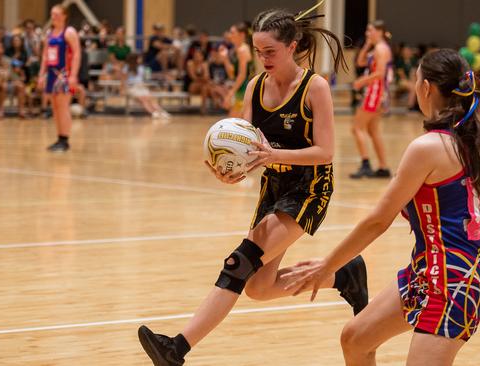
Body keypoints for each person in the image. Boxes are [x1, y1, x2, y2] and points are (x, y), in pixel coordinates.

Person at [282, 49, 480, 366]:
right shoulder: (474, 140)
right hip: (425, 277)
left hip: (454, 285)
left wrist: (328, 265)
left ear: (427, 88)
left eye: (417, 78)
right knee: (355, 340)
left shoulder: (429, 148)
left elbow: (378, 221)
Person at [137, 6, 368, 366]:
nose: (263, 59)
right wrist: (229, 171)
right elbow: (245, 148)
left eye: (270, 52)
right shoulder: (255, 86)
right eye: (258, 51)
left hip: (309, 189)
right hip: (272, 190)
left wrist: (271, 155)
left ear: (292, 46)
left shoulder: (315, 87)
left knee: (238, 263)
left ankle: (177, 348)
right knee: (258, 288)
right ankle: (343, 275)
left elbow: (325, 153)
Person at [349, 20, 393, 179]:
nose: (368, 33)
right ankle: (383, 167)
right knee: (373, 130)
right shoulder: (377, 48)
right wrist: (367, 45)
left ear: (380, 32)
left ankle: (365, 164)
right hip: (378, 92)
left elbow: (380, 73)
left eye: (371, 31)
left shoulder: (381, 49)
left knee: (357, 127)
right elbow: (360, 62)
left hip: (376, 91)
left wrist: (362, 81)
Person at [38, 5, 81, 152]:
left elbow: (76, 54)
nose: (54, 17)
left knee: (63, 107)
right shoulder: (49, 34)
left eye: (57, 14)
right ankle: (59, 138)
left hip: (65, 74)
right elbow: (45, 56)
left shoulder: (69, 32)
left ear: (64, 16)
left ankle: (65, 140)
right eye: (52, 14)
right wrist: (41, 74)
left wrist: (74, 75)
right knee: (55, 108)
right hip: (52, 74)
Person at [122, 53, 170, 119]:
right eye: (139, 58)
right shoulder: (126, 68)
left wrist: (160, 75)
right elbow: (123, 80)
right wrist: (123, 89)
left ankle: (161, 111)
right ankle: (153, 112)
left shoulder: (142, 67)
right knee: (143, 99)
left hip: (141, 86)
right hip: (132, 87)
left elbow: (148, 77)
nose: (141, 59)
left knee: (151, 98)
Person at [223, 21, 254, 117]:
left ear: (241, 34)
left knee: (234, 125)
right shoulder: (238, 49)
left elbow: (242, 75)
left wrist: (230, 93)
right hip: (241, 90)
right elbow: (232, 74)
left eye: (232, 32)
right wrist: (225, 59)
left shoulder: (243, 50)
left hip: (245, 90)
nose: (229, 35)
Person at [0, 41, 26, 118]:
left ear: (2, 50)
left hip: (8, 81)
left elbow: (13, 73)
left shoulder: (8, 60)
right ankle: (0, 110)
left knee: (21, 86)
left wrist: (18, 79)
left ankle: (21, 111)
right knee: (3, 85)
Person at [184, 47, 211, 113]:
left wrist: (203, 78)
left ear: (202, 57)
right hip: (190, 85)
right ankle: (206, 106)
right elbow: (193, 78)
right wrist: (203, 79)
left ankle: (203, 107)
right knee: (205, 85)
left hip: (202, 86)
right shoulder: (190, 63)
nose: (196, 57)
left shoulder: (204, 64)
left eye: (198, 56)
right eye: (195, 56)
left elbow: (207, 76)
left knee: (204, 87)